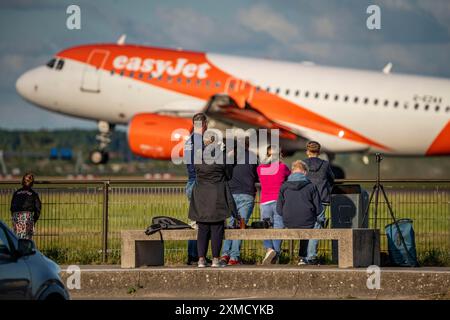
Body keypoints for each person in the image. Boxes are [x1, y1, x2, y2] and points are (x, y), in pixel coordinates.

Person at [188, 133, 238, 268]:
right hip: (217, 195)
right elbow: (228, 175)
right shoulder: (221, 156)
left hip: (201, 196)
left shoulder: (198, 157)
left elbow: (196, 172)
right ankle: (216, 259)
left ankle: (201, 259)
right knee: (217, 228)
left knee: (202, 228)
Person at [276, 160, 324, 265]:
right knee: (316, 224)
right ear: (305, 172)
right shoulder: (311, 186)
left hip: (288, 221)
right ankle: (309, 257)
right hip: (307, 221)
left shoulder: (284, 186)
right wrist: (321, 220)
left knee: (306, 223)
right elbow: (319, 209)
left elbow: (279, 210)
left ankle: (278, 254)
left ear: (292, 172)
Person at [220, 137, 258, 265]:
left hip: (231, 194)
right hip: (247, 194)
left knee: (231, 225)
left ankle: (225, 255)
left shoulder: (230, 156)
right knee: (241, 225)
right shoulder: (253, 156)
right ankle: (234, 257)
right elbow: (256, 174)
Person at [257, 145, 290, 264]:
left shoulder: (260, 168)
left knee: (265, 227)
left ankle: (269, 249)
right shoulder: (283, 167)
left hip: (265, 201)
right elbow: (289, 177)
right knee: (278, 228)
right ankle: (276, 253)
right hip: (279, 201)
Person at [303, 141, 335, 263]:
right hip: (321, 198)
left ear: (307, 151)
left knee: (305, 226)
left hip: (305, 198)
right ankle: (311, 256)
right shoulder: (325, 164)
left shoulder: (303, 164)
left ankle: (304, 256)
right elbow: (332, 179)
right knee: (317, 227)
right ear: (319, 152)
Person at [184, 112, 208, 265]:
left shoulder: (189, 140)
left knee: (195, 222)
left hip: (190, 181)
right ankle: (197, 255)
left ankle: (193, 255)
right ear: (205, 124)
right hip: (200, 183)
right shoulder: (201, 142)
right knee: (202, 223)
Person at [10, 172, 42, 240]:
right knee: (27, 240)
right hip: (27, 217)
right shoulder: (33, 194)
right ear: (32, 182)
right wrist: (34, 220)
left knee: (17, 238)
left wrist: (14, 217)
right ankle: (25, 250)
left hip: (16, 216)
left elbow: (12, 208)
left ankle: (18, 250)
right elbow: (38, 208)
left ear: (22, 181)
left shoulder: (16, 193)